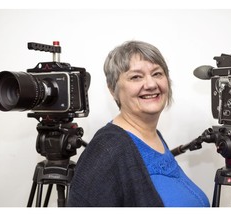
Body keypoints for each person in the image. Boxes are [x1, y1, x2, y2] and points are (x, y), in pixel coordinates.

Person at [67, 40, 210, 207]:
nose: (151, 84)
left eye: (157, 74)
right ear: (113, 89)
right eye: (136, 77)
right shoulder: (107, 148)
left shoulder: (153, 136)